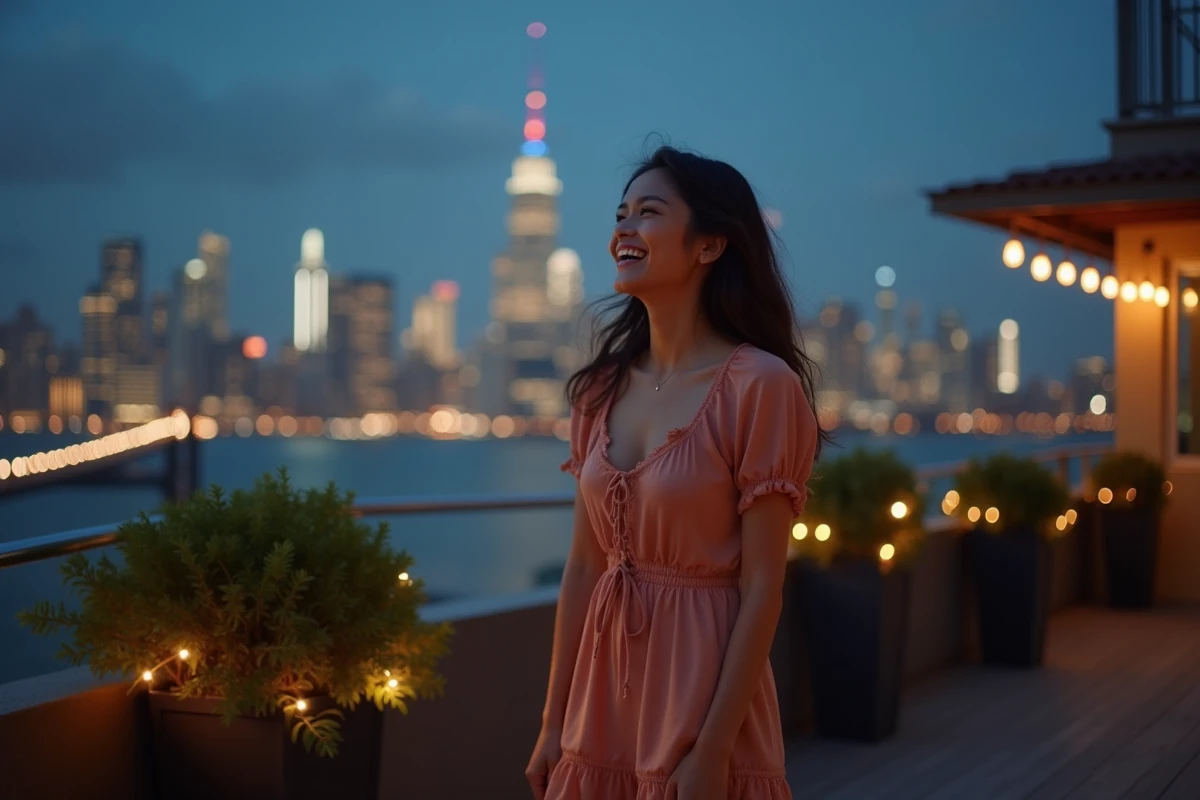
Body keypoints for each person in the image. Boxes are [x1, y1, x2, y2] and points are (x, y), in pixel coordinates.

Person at [525, 145, 826, 800]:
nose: (622, 230)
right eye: (620, 214)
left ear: (710, 245)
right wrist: (553, 724)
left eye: (649, 213)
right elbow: (583, 569)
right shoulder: (598, 390)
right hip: (600, 704)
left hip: (704, 693)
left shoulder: (760, 386)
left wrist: (713, 749)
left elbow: (764, 584)